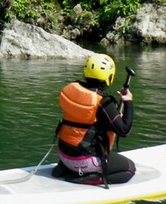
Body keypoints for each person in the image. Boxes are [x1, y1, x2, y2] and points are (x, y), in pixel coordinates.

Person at [53, 53, 135, 185]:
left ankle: (65, 168)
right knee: (130, 168)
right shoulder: (103, 102)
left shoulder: (71, 89)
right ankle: (95, 178)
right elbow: (124, 130)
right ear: (109, 77)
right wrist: (128, 102)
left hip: (63, 154)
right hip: (81, 161)